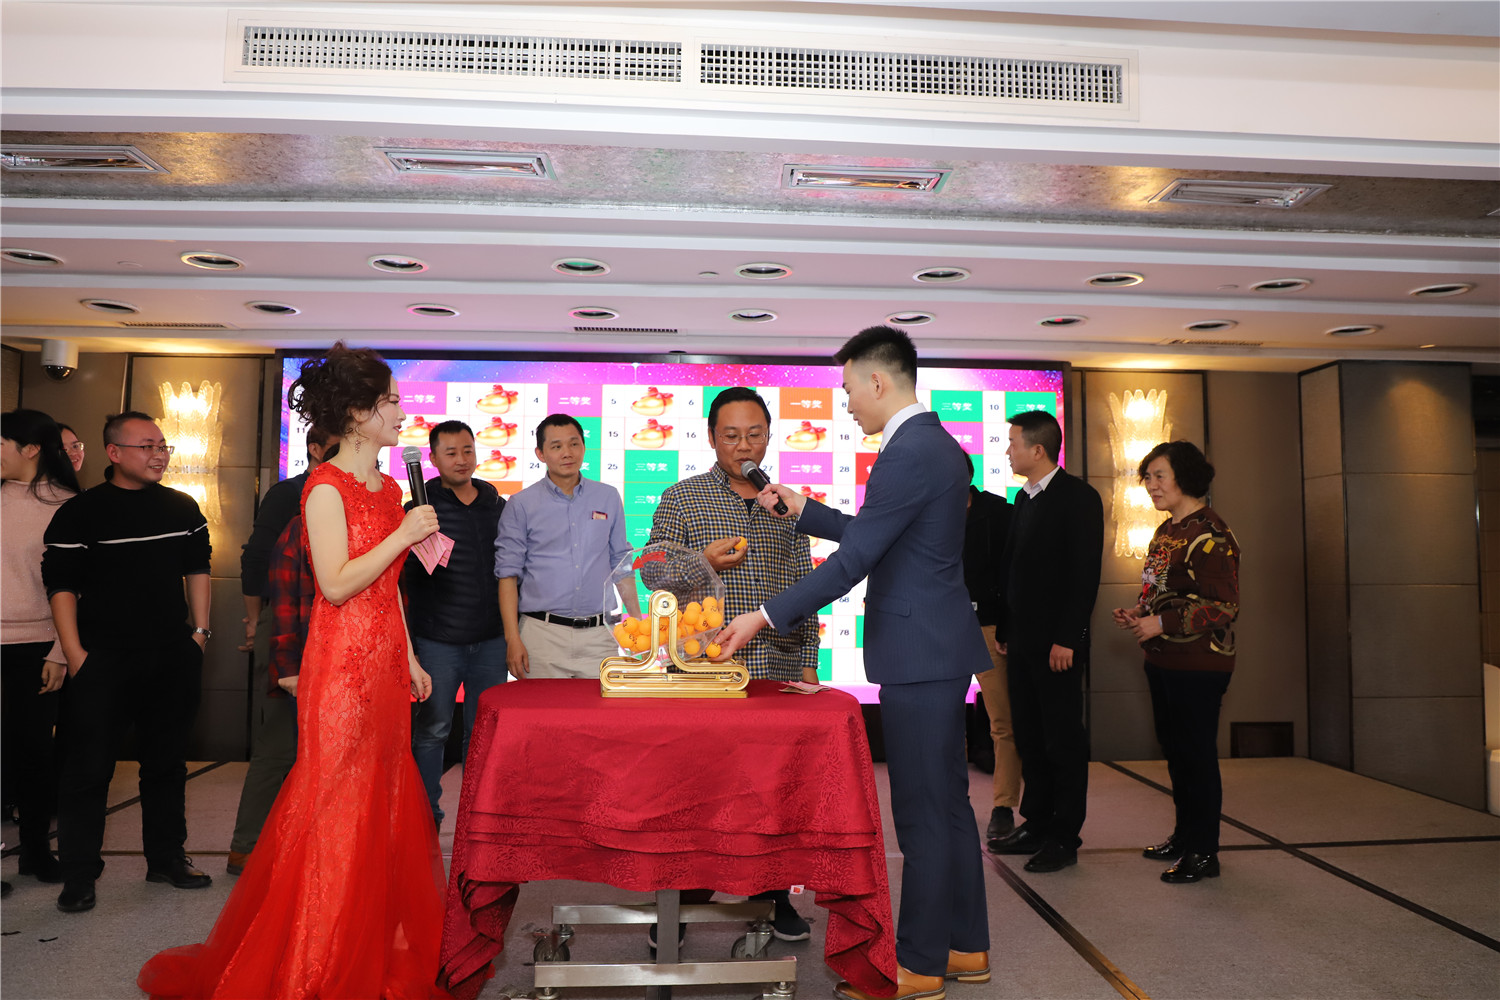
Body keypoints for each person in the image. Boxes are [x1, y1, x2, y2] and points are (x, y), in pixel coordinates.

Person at [138, 342, 448, 998]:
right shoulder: (323, 489)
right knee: (335, 810)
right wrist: (403, 534)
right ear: (357, 413)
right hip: (340, 670)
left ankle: (364, 944)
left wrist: (411, 656)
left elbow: (389, 587)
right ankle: (316, 960)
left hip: (385, 667)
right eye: (391, 402)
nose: (402, 412)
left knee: (381, 807)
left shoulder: (390, 488)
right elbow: (335, 584)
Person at [717, 326, 992, 1000]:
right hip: (935, 646)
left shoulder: (909, 450)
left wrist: (762, 616)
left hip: (919, 653)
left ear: (878, 380)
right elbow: (883, 535)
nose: (845, 404)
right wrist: (806, 511)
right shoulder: (931, 444)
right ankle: (965, 946)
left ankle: (919, 963)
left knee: (924, 814)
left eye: (847, 389)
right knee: (948, 806)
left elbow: (854, 562)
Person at [646, 387, 816, 946]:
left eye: (754, 435)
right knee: (698, 788)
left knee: (772, 789)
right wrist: (702, 560)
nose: (744, 446)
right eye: (731, 435)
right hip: (704, 672)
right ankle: (684, 899)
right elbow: (651, 572)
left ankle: (773, 895)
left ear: (769, 436)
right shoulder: (683, 497)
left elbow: (805, 589)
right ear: (711, 437)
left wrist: (808, 665)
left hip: (774, 666)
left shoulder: (788, 505)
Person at [43, 411, 213, 913]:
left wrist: (199, 634)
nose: (159, 454)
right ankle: (79, 875)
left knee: (167, 764)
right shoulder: (81, 512)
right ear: (114, 453)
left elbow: (198, 568)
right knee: (88, 770)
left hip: (172, 655)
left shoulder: (182, 507)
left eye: (163, 446)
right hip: (103, 660)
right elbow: (60, 586)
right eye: (147, 446)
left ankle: (166, 858)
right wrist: (76, 655)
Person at [1112, 440, 1239, 884]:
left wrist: (1161, 622)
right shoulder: (1167, 530)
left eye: (1158, 476)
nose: (1151, 485)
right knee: (1176, 753)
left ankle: (1204, 851)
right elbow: (1161, 591)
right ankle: (1185, 836)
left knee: (1196, 756)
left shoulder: (1212, 534)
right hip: (1163, 659)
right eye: (1147, 477)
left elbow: (1223, 607)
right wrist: (1140, 614)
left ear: (1184, 476)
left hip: (1199, 664)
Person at [988, 410, 1103, 874]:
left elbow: (1084, 574)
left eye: (1013, 443)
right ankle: (1036, 822)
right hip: (1021, 642)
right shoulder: (1024, 497)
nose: (1007, 451)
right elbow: (1014, 568)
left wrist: (1068, 638)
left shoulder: (1078, 497)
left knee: (1062, 741)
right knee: (1030, 736)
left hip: (1058, 646)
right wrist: (1005, 630)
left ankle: (1064, 835)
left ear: (1038, 450)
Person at [225, 426, 338, 875]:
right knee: (279, 741)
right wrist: (257, 621)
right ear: (316, 449)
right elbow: (255, 560)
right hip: (290, 620)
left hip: (338, 629)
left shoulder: (359, 496)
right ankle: (247, 846)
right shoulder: (289, 495)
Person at [405, 419, 508, 828]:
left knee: (483, 733)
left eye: (468, 450)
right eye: (451, 453)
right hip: (438, 641)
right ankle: (425, 817)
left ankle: (478, 817)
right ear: (433, 459)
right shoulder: (418, 508)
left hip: (491, 641)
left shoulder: (497, 505)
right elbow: (406, 576)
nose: (462, 459)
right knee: (434, 729)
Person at [1, 410, 81, 893]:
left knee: (33, 751)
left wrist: (59, 650)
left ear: (30, 449)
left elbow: (79, 587)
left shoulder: (67, 505)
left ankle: (35, 850)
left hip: (38, 646)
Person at [494, 414, 632, 679]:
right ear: (540, 453)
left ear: (583, 447)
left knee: (599, 707)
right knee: (543, 707)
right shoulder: (521, 504)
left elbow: (621, 563)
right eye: (556, 446)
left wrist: (636, 620)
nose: (567, 453)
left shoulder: (608, 496)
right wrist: (512, 639)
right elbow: (507, 575)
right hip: (541, 635)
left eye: (574, 444)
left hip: (599, 635)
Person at [961, 454, 1022, 842]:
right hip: (941, 627)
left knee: (1003, 722)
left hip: (988, 626)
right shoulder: (925, 511)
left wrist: (1007, 623)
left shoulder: (998, 511)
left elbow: (1014, 571)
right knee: (940, 721)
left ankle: (1003, 806)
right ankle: (951, 802)